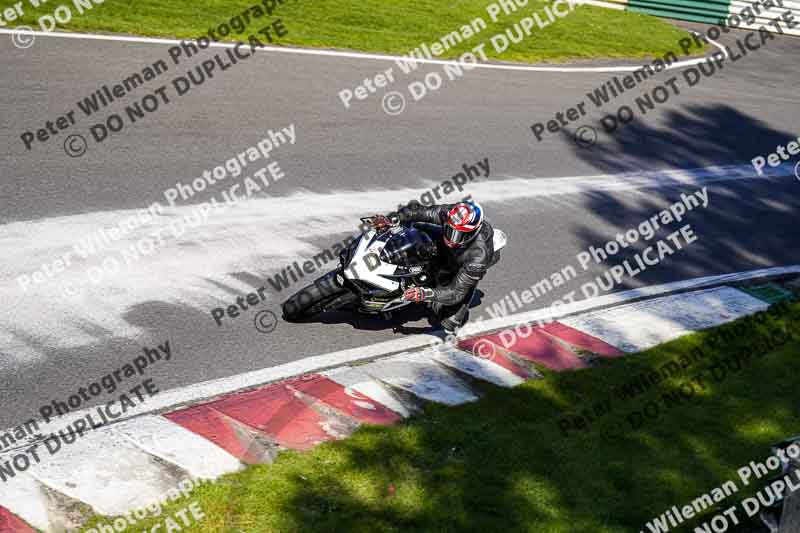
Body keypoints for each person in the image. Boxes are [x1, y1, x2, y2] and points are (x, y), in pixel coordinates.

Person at [368, 200, 495, 334]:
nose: (452, 238)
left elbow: (456, 293)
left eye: (459, 234)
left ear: (472, 233)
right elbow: (418, 211)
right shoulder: (451, 214)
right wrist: (391, 220)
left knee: (449, 323)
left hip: (462, 261)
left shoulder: (478, 257)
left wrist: (425, 294)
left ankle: (455, 310)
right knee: (414, 226)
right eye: (450, 229)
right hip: (447, 247)